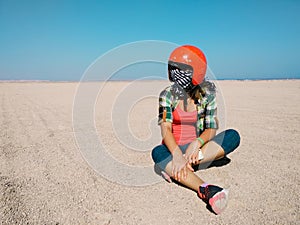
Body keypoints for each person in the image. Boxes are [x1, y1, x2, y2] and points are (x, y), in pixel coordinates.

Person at [151, 45, 240, 215]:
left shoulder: (207, 96)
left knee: (232, 136)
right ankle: (206, 189)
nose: (175, 75)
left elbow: (211, 128)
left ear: (196, 72)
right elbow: (166, 129)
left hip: (197, 151)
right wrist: (177, 155)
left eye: (181, 71)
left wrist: (196, 143)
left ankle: (175, 168)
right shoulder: (166, 95)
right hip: (173, 150)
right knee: (157, 152)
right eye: (173, 69)